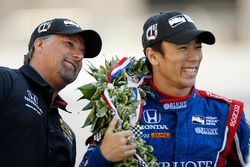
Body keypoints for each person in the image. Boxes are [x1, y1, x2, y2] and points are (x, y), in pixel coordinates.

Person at [80, 11, 250, 167]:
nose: (194, 57)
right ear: (153, 56)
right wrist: (103, 156)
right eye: (183, 48)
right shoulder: (123, 111)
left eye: (197, 47)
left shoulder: (228, 114)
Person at [0, 18, 102, 167]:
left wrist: (103, 156)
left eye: (83, 52)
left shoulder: (67, 134)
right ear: (40, 44)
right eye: (69, 44)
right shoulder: (6, 81)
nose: (79, 56)